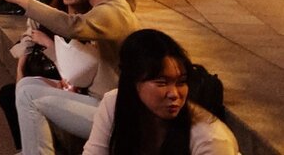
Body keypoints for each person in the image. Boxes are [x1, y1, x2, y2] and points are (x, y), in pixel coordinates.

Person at [0, 0, 141, 155]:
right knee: (28, 85)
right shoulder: (103, 8)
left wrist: (22, 0)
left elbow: (71, 26)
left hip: (115, 113)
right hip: (100, 101)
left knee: (29, 94)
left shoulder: (113, 10)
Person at [83, 29, 238, 155]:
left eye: (181, 82)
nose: (174, 94)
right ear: (133, 82)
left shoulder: (210, 139)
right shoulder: (113, 103)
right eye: (162, 83)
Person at [0, 0, 98, 149]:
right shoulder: (49, 15)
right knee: (11, 93)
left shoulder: (88, 24)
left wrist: (49, 45)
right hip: (40, 78)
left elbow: (78, 75)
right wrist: (20, 72)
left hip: (70, 88)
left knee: (25, 94)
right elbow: (26, 45)